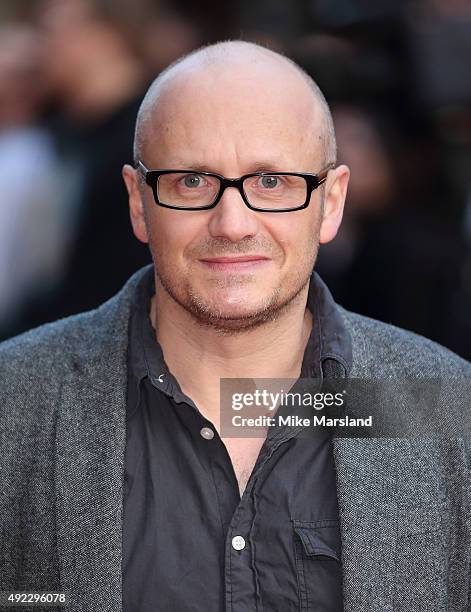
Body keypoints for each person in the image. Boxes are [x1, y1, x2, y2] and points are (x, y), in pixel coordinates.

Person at [0, 40, 470, 612]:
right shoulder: (17, 400)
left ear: (331, 202)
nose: (232, 223)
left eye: (271, 182)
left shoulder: (444, 409)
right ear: (137, 202)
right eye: (192, 181)